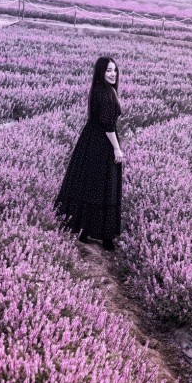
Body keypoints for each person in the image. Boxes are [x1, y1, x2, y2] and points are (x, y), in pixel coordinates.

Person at [55, 57, 124, 250]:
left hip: (89, 140)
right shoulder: (107, 94)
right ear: (101, 72)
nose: (113, 74)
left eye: (115, 70)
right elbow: (108, 125)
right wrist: (117, 148)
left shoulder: (97, 90)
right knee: (105, 186)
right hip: (102, 143)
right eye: (109, 71)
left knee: (87, 184)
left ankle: (83, 230)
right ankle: (105, 236)